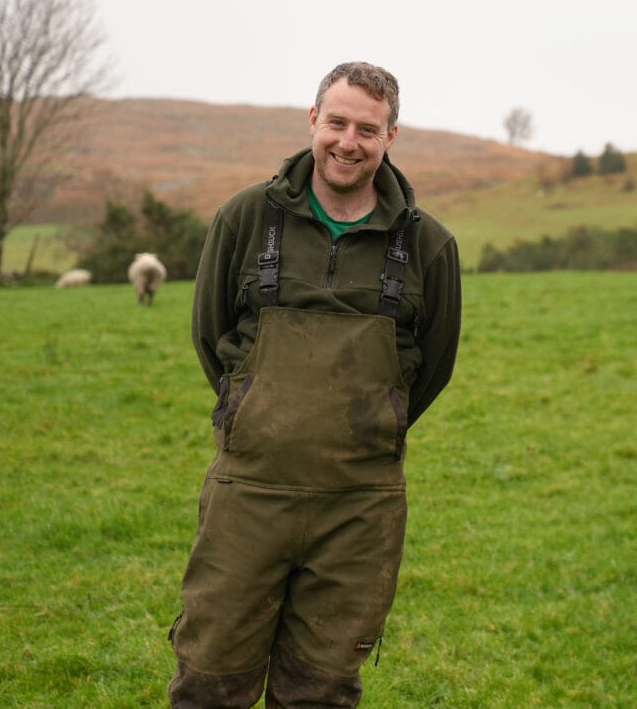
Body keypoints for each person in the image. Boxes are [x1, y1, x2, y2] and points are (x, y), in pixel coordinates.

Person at [169, 61, 462, 708]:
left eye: (368, 129)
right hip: (249, 496)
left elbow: (433, 368)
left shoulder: (429, 246)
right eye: (337, 123)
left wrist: (370, 424)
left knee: (321, 691)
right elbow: (211, 337)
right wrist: (256, 411)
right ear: (313, 120)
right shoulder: (246, 218)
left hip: (359, 511)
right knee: (210, 683)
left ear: (391, 137)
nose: (348, 142)